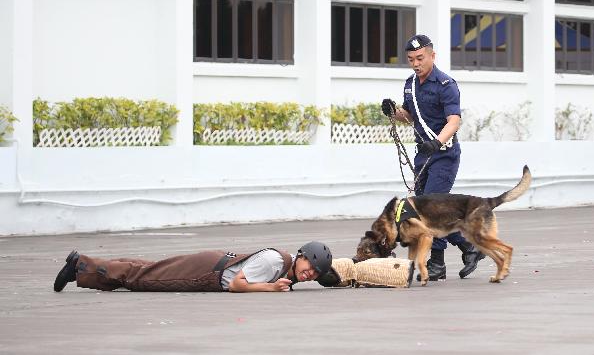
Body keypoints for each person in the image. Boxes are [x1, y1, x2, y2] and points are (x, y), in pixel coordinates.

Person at [381, 34, 486, 281]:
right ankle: (468, 246)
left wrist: (437, 142)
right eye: (411, 59)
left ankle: (438, 262)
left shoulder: (445, 84)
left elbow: (454, 120)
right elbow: (410, 116)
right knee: (422, 211)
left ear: (432, 56)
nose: (416, 63)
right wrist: (393, 112)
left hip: (444, 154)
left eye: (420, 58)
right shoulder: (410, 85)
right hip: (422, 154)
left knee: (431, 212)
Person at [53, 241, 332, 293]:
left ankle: (84, 266)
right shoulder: (275, 262)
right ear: (301, 255)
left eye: (315, 274)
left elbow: (334, 274)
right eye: (311, 265)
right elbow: (237, 285)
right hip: (209, 273)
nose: (310, 273)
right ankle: (80, 265)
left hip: (212, 264)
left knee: (148, 269)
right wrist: (270, 288)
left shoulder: (286, 269)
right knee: (143, 278)